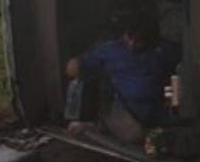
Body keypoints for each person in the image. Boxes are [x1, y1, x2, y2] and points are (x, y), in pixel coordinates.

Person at [65, 12, 175, 141]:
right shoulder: (110, 50)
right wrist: (74, 66)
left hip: (157, 112)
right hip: (126, 112)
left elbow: (172, 78)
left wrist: (170, 99)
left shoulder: (162, 51)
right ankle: (94, 127)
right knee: (133, 135)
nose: (132, 44)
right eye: (130, 38)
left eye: (139, 40)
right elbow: (76, 65)